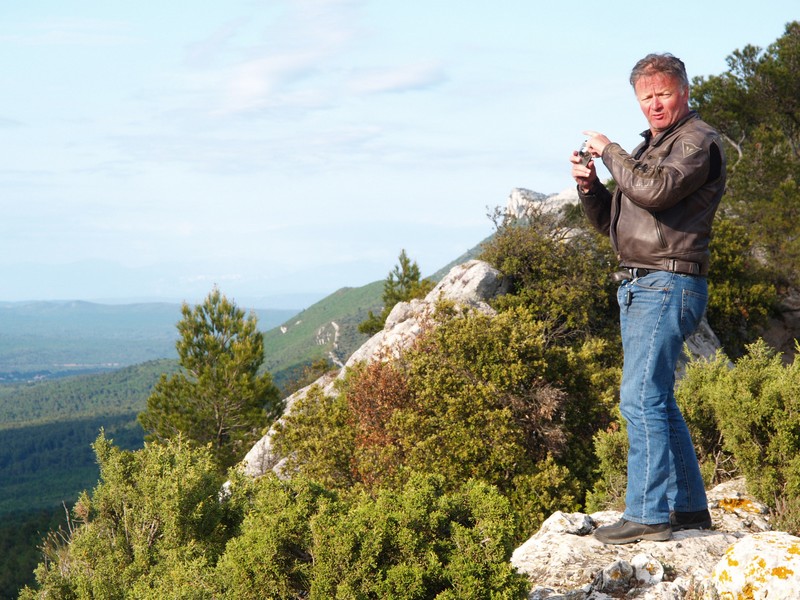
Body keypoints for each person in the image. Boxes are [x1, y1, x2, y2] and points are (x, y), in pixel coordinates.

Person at [570, 53, 726, 545]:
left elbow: (654, 192)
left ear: (683, 90)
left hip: (666, 282)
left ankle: (647, 513)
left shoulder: (696, 142)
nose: (654, 104)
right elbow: (616, 227)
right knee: (657, 398)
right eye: (646, 97)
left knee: (640, 398)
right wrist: (590, 187)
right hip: (645, 282)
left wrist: (610, 150)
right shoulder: (654, 145)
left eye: (663, 93)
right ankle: (689, 509)